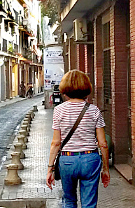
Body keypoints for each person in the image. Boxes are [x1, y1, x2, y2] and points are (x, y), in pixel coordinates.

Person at [46, 70, 110, 208]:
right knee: (89, 203)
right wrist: (105, 169)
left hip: (67, 160)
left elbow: (56, 142)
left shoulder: (59, 110)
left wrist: (50, 169)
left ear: (65, 88)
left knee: (69, 200)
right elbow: (103, 144)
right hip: (90, 160)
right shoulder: (94, 110)